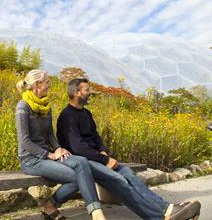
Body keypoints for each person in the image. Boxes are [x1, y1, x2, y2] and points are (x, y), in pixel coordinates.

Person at [56, 77, 201, 220]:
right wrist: (105, 160)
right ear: (76, 93)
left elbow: (95, 136)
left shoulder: (86, 113)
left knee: (128, 173)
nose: (91, 92)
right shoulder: (66, 117)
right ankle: (163, 213)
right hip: (83, 163)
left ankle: (166, 210)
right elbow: (78, 148)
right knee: (120, 181)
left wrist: (103, 150)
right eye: (87, 90)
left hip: (96, 157)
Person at [15, 70, 107, 220]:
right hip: (31, 160)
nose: (49, 86)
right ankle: (95, 213)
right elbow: (24, 141)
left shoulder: (46, 106)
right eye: (47, 83)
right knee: (79, 177)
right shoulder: (22, 107)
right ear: (38, 84)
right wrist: (50, 154)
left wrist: (58, 148)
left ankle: (50, 207)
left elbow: (50, 134)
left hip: (48, 156)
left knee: (82, 162)